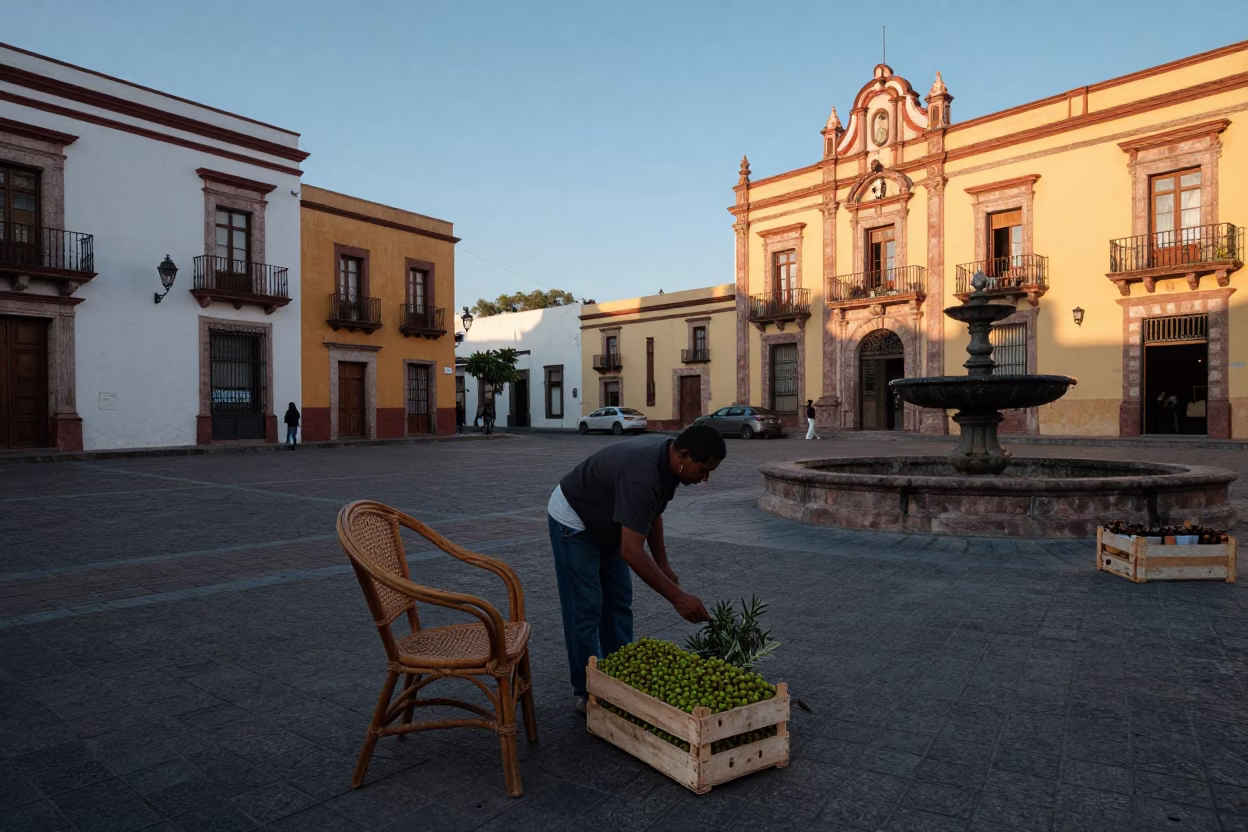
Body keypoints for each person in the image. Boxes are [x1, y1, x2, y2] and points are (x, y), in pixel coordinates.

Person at [547, 424, 725, 713]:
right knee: (586, 607)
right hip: (574, 519)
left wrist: (663, 564)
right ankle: (587, 691)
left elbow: (652, 513)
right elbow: (631, 552)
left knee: (618, 600)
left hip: (611, 520)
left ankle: (620, 678)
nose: (705, 478)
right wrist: (678, 598)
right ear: (684, 456)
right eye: (704, 469)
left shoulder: (669, 463)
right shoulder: (643, 475)